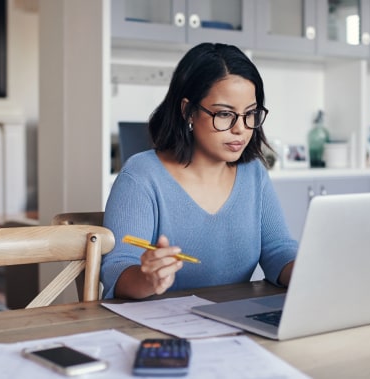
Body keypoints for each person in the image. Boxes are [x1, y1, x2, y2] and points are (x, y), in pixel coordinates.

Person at [101, 43, 297, 300]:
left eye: (250, 114)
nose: (240, 129)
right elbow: (117, 269)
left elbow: (277, 250)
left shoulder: (254, 174)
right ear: (188, 111)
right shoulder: (141, 176)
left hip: (232, 324)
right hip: (156, 330)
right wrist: (147, 277)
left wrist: (310, 271)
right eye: (225, 114)